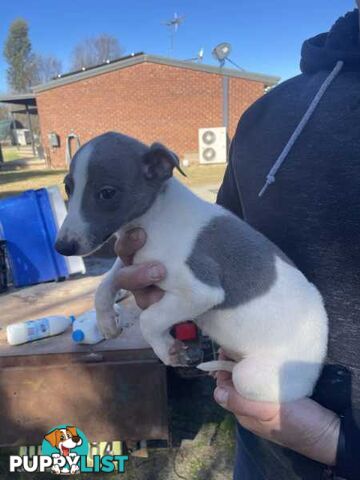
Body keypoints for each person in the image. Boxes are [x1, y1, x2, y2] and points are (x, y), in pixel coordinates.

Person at [111, 6, 360, 479]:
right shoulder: (266, 113)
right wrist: (164, 281)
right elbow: (220, 256)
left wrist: (339, 445)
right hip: (263, 448)